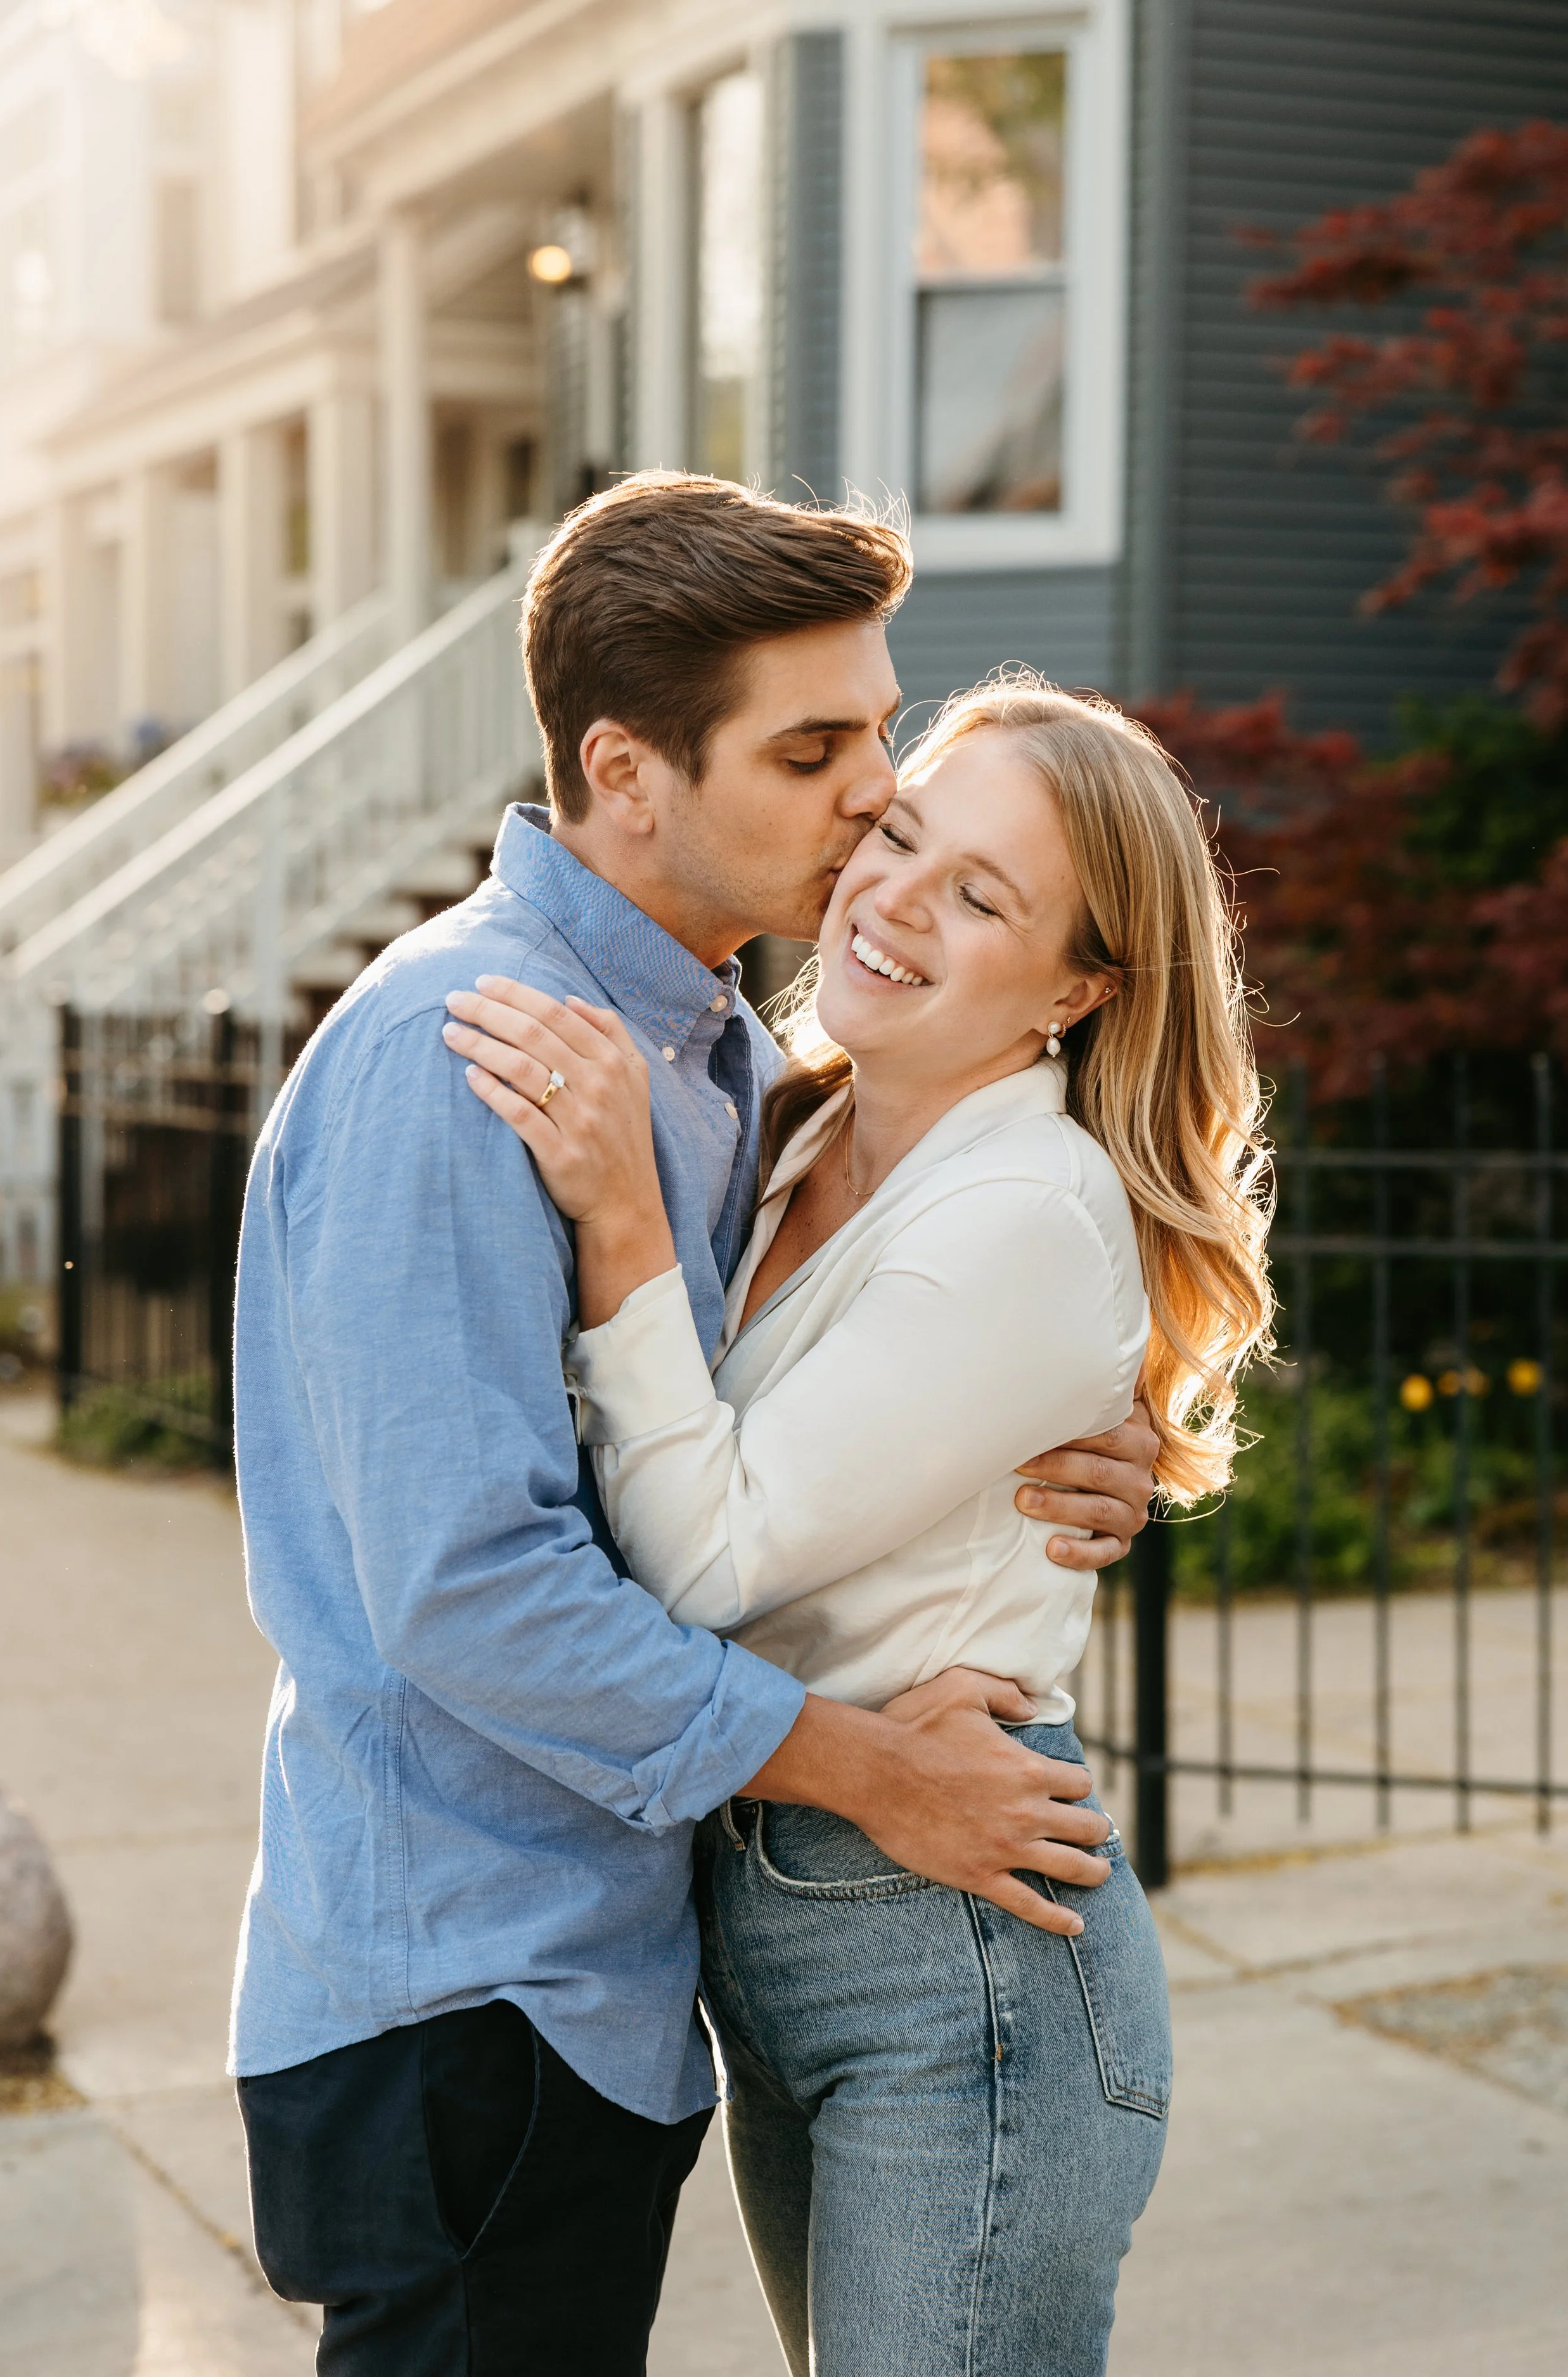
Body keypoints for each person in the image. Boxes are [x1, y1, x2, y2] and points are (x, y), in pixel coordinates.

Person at [229, 475, 1161, 2375]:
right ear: (625, 771)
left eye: (877, 735)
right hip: (463, 1987)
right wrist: (864, 1767)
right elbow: (468, 1591)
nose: (869, 800)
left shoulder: (730, 1054)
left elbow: (803, 1400)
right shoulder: (467, 1055)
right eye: (812, 749)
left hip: (609, 1978)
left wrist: (1059, 1447)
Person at [445, 673, 1273, 2376]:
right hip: (775, 1911)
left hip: (953, 1950)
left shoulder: (1021, 1212)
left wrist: (618, 1223)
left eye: (984, 898)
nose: (897, 898)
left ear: (1078, 988)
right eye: (901, 836)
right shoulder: (789, 1115)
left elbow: (700, 1559)